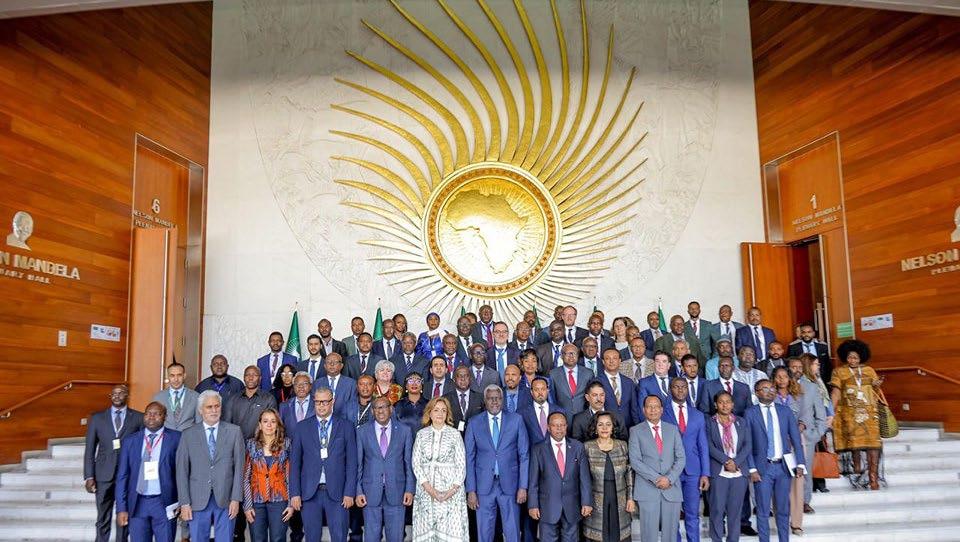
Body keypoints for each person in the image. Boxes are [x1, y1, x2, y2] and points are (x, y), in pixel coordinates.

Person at [289, 387, 357, 542]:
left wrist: (349, 492)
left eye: (325, 402)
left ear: (333, 402)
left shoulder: (346, 426)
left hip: (339, 494)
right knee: (312, 537)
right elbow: (295, 464)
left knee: (339, 537)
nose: (321, 405)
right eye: (318, 402)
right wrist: (295, 493)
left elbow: (352, 463)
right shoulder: (302, 427)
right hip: (309, 493)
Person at [176, 390, 245, 542]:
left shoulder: (234, 432)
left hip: (226, 499)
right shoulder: (188, 434)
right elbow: (182, 472)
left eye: (217, 406)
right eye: (209, 407)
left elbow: (239, 468)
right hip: (197, 499)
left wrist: (236, 499)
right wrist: (184, 502)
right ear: (200, 410)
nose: (214, 410)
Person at [465, 385, 529, 542]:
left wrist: (523, 486)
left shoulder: (516, 420)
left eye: (498, 398)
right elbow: (469, 458)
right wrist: (471, 490)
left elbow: (524, 455)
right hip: (483, 486)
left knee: (512, 531)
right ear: (485, 401)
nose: (494, 401)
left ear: (503, 400)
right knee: (484, 532)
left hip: (511, 485)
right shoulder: (474, 423)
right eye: (490, 398)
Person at [745, 379, 806, 542]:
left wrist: (800, 463)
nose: (770, 391)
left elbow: (795, 439)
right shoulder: (750, 413)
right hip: (762, 468)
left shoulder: (785, 411)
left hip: (783, 467)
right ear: (756, 392)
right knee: (763, 510)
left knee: (783, 509)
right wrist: (752, 468)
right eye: (765, 388)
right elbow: (747, 443)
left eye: (772, 388)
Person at [84, 384, 144, 542]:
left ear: (127, 395)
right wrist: (89, 476)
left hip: (128, 475)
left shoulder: (138, 418)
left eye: (121, 393)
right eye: (114, 393)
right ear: (110, 396)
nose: (117, 396)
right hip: (103, 475)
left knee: (124, 515)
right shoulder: (97, 418)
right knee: (102, 516)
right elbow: (89, 449)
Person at [115, 401, 178, 542]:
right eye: (148, 413)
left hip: (164, 503)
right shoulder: (130, 441)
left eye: (156, 414)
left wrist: (182, 502)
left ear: (165, 417)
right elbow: (122, 476)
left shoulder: (176, 439)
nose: (151, 417)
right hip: (137, 503)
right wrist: (121, 508)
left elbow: (182, 473)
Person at [356, 397, 415, 542]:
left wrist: (409, 489)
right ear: (372, 411)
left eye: (383, 407)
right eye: (376, 408)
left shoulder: (404, 431)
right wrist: (358, 491)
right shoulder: (362, 431)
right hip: (369, 493)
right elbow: (358, 464)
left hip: (397, 491)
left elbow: (408, 463)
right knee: (371, 538)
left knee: (396, 537)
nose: (380, 411)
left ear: (391, 409)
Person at [411, 397, 469, 541]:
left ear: (447, 414)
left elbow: (461, 465)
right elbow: (416, 463)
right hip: (426, 492)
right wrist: (430, 489)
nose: (440, 413)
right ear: (429, 413)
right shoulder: (421, 434)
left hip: (451, 493)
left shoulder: (455, 434)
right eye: (436, 410)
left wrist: (451, 491)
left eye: (443, 410)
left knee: (449, 532)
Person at [528, 411, 592, 542]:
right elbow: (533, 481)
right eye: (555, 425)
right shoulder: (538, 449)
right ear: (548, 427)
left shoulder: (577, 447)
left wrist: (586, 502)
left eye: (562, 425)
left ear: (566, 426)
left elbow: (584, 478)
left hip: (572, 505)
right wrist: (533, 505)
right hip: (547, 506)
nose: (559, 428)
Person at [629, 395, 685, 542]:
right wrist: (657, 479)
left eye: (656, 407)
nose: (653, 410)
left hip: (671, 488)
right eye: (649, 406)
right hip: (647, 489)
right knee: (649, 535)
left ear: (661, 410)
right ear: (643, 410)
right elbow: (635, 461)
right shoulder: (635, 431)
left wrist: (669, 479)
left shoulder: (672, 429)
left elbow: (681, 458)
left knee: (671, 535)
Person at [830, 339, 884, 490]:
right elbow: (835, 392)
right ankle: (857, 469)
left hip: (870, 414)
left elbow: (875, 392)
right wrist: (830, 412)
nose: (852, 360)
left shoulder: (869, 370)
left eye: (855, 358)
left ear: (861, 357)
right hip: (849, 414)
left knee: (873, 444)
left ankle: (873, 478)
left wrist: (876, 385)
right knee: (855, 442)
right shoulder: (839, 372)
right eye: (849, 357)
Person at [661, 378, 710, 542]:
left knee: (692, 514)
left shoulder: (698, 415)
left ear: (687, 389)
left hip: (693, 471)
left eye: (683, 387)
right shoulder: (663, 412)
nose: (680, 390)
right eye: (676, 387)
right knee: (672, 514)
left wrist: (705, 473)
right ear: (670, 390)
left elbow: (703, 446)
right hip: (670, 471)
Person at [705, 392, 753, 542]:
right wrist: (726, 461)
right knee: (717, 510)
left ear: (732, 404)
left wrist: (736, 462)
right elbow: (709, 446)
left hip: (738, 473)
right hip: (719, 472)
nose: (724, 405)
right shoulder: (709, 422)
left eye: (728, 402)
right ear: (715, 405)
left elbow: (748, 445)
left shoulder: (741, 422)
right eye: (721, 402)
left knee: (735, 513)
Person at [242, 409, 293, 542]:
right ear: (260, 425)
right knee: (257, 539)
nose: (269, 425)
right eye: (265, 421)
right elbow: (246, 478)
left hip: (279, 501)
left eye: (273, 421)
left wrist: (291, 504)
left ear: (278, 425)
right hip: (256, 501)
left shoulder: (286, 444)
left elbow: (290, 477)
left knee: (278, 539)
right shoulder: (251, 445)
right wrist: (247, 505)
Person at [583, 412, 634, 542]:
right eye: (600, 425)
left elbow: (629, 473)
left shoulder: (622, 445)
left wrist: (630, 498)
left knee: (618, 532)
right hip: (595, 498)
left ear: (613, 428)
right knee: (600, 534)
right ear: (595, 428)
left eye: (608, 424)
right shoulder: (587, 447)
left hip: (620, 496)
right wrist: (586, 502)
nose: (604, 428)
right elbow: (583, 478)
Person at [789, 357, 826, 529]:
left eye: (799, 367)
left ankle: (805, 501)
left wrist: (816, 434)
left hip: (807, 437)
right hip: (785, 437)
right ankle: (788, 501)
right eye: (793, 367)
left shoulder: (812, 387)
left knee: (805, 470)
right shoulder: (781, 386)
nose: (796, 370)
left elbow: (820, 414)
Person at [278, 373, 313, 542]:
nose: (301, 387)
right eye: (297, 384)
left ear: (310, 386)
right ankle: (296, 533)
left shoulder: (318, 404)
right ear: (293, 387)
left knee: (310, 495)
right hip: (291, 458)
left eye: (304, 384)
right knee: (294, 492)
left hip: (313, 458)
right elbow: (280, 431)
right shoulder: (284, 406)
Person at [799, 353, 834, 494]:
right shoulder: (802, 382)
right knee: (810, 456)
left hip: (820, 422)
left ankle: (820, 481)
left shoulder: (817, 379)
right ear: (808, 365)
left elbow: (826, 398)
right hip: (809, 425)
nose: (818, 366)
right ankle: (812, 484)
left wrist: (830, 415)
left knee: (820, 451)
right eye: (815, 364)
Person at [225, 365, 278, 441]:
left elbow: (272, 426)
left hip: (259, 444)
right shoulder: (233, 399)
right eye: (247, 375)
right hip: (237, 443)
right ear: (244, 378)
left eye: (254, 375)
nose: (250, 378)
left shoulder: (269, 399)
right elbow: (227, 425)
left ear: (260, 378)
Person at [549, 343, 593, 420]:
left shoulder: (588, 373)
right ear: (561, 356)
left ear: (578, 355)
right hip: (562, 418)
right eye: (568, 353)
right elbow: (552, 398)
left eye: (574, 353)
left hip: (584, 418)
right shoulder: (553, 374)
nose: (571, 356)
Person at [153, 362, 200, 433]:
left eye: (179, 375)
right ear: (168, 377)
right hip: (166, 437)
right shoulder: (158, 397)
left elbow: (199, 423)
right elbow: (155, 423)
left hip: (188, 437)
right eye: (172, 375)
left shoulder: (196, 396)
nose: (176, 379)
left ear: (184, 376)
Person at [314, 352, 357, 418]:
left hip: (345, 420)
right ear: (325, 366)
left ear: (341, 366)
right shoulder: (317, 383)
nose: (332, 364)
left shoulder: (351, 384)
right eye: (329, 362)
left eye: (335, 362)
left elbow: (353, 407)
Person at [445, 363, 484, 434]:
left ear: (470, 379)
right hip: (452, 437)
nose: (463, 379)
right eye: (459, 376)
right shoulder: (446, 399)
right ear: (454, 379)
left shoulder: (480, 398)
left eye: (466, 376)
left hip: (475, 436)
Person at [394, 371, 429, 435]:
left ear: (422, 386)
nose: (414, 384)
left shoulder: (429, 405)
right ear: (406, 386)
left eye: (418, 381)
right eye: (410, 381)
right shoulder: (397, 405)